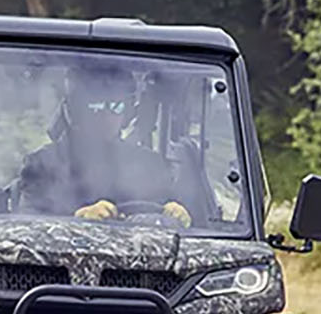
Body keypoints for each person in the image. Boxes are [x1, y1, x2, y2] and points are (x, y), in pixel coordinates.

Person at [14, 66, 193, 226]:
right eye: (96, 106)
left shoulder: (149, 164)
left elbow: (170, 213)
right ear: (76, 110)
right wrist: (76, 220)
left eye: (116, 107)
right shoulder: (42, 165)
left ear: (128, 113)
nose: (107, 116)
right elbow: (27, 229)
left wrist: (176, 211)